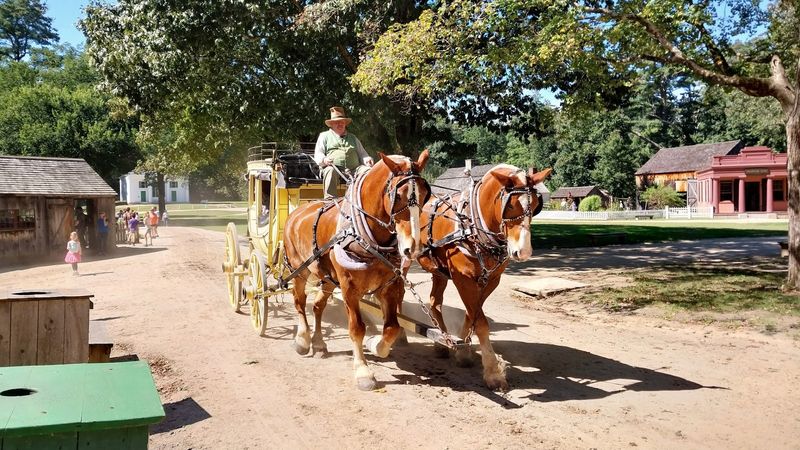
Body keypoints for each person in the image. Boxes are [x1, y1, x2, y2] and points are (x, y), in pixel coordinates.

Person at [313, 106, 373, 198]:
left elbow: (362, 154)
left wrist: (367, 159)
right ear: (331, 124)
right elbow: (318, 153)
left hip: (354, 169)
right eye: (337, 122)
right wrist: (324, 159)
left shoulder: (353, 137)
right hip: (334, 168)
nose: (340, 124)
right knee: (330, 170)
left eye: (342, 122)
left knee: (368, 171)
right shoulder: (324, 136)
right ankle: (330, 200)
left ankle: (366, 198)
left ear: (345, 123)